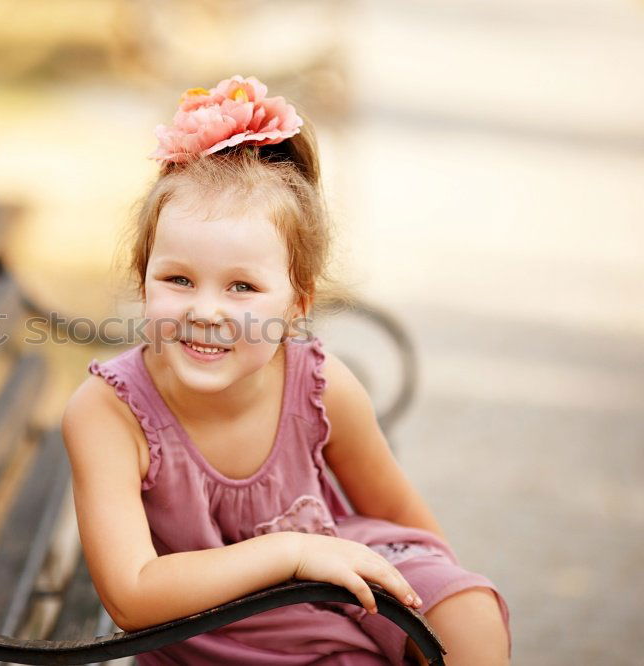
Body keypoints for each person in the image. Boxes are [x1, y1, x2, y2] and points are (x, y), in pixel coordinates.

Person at [61, 75, 511, 665]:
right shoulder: (108, 413)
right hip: (220, 638)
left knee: (469, 611)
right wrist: (290, 554)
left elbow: (405, 524)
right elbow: (132, 594)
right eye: (178, 279)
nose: (205, 311)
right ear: (142, 279)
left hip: (337, 592)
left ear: (296, 304)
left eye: (243, 287)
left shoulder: (320, 384)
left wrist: (437, 608)